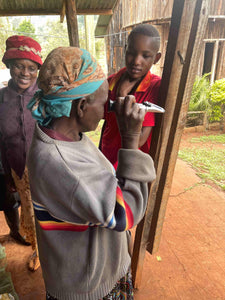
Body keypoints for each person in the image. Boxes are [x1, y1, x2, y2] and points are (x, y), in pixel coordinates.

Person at [27, 46, 156, 300]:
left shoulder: (64, 135)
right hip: (90, 288)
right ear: (82, 106)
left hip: (92, 273)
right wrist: (130, 139)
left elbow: (101, 189)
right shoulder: (62, 163)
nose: (108, 108)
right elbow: (124, 214)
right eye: (104, 102)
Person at [0, 35, 43, 271]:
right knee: (29, 213)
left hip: (47, 170)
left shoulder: (46, 97)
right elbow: (2, 142)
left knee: (50, 214)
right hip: (18, 171)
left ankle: (54, 252)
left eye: (31, 67)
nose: (25, 73)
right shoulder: (1, 99)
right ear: (9, 67)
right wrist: (9, 176)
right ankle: (37, 250)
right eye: (19, 66)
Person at [99, 24, 162, 168]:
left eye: (145, 56)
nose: (136, 61)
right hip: (105, 157)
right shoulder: (112, 81)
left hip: (131, 165)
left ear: (156, 58)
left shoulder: (154, 87)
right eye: (132, 53)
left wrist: (121, 96)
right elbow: (101, 117)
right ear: (125, 50)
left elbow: (139, 140)